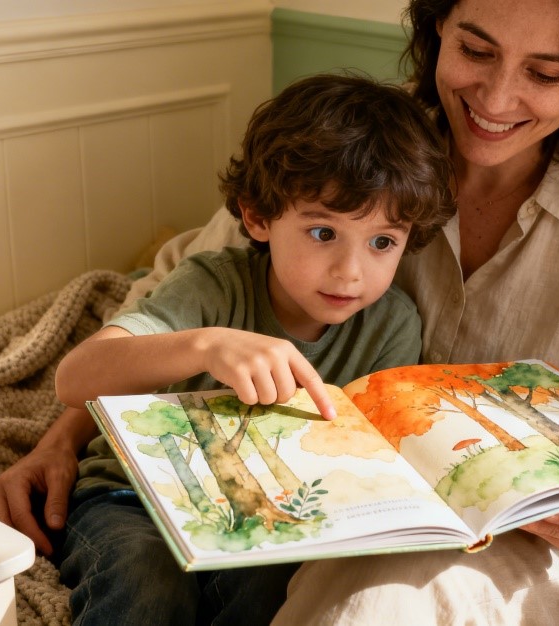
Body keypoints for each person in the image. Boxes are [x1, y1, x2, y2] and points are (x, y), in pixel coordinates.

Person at [0, 0, 559, 622]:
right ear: (436, 27)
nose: (497, 95)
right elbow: (163, 315)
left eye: (544, 73)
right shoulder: (354, 148)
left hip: (507, 538)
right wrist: (64, 439)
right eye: (475, 50)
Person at [26, 72, 455, 625]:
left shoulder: (393, 325)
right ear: (257, 217)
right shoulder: (212, 285)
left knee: (281, 586)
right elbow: (74, 379)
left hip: (274, 518)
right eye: (323, 233)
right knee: (146, 581)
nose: (351, 272)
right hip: (136, 500)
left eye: (382, 242)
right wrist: (206, 346)